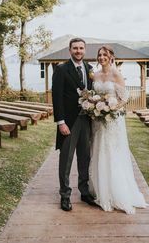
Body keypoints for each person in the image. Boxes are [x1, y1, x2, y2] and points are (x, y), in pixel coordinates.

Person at [89, 45, 148, 214]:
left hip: (113, 121)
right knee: (98, 150)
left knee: (112, 152)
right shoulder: (96, 74)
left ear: (111, 57)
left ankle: (116, 192)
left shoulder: (116, 74)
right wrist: (95, 107)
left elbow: (124, 99)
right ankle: (100, 189)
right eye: (99, 55)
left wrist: (111, 108)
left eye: (104, 54)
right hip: (98, 121)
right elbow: (95, 95)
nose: (101, 57)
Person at [52, 38, 96, 211]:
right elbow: (57, 98)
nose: (78, 51)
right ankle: (65, 195)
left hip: (86, 119)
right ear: (70, 50)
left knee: (85, 157)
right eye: (75, 48)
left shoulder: (90, 69)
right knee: (66, 159)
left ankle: (84, 192)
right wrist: (60, 122)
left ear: (85, 50)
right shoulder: (62, 69)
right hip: (69, 122)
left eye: (81, 48)